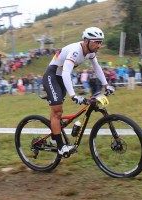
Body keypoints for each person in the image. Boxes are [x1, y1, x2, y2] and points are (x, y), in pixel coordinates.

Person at [42, 27, 115, 156]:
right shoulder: (75, 51)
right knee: (57, 110)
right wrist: (73, 95)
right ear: (86, 40)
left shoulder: (90, 52)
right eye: (97, 42)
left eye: (100, 42)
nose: (99, 45)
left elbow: (97, 68)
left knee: (57, 112)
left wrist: (106, 85)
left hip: (61, 77)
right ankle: (60, 146)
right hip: (52, 76)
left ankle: (55, 134)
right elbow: (66, 72)